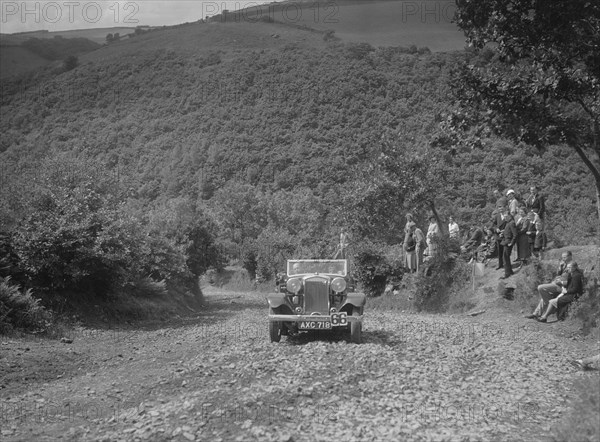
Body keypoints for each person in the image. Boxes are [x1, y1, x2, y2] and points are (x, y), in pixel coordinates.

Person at [525, 251, 572, 319]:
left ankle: (552, 307)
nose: (563, 259)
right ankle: (536, 314)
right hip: (557, 284)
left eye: (565, 257)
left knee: (541, 288)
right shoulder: (563, 265)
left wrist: (558, 281)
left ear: (570, 256)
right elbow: (558, 275)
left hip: (562, 287)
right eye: (562, 257)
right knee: (543, 297)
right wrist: (559, 269)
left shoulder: (571, 266)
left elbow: (566, 281)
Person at [499, 213, 517, 279]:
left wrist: (512, 243)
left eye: (506, 216)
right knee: (506, 257)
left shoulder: (512, 223)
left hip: (508, 242)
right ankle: (510, 271)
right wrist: (503, 233)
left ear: (510, 216)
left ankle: (507, 273)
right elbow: (508, 232)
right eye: (504, 216)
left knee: (505, 257)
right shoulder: (508, 223)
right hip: (506, 241)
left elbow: (515, 234)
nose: (505, 218)